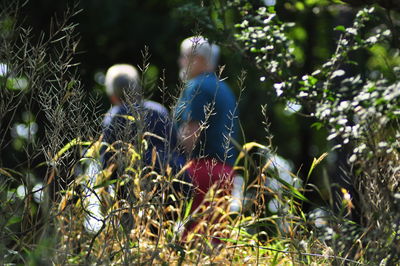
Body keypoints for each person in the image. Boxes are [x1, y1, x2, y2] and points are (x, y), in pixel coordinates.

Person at [174, 36, 239, 239]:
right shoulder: (225, 88)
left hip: (202, 170)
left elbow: (191, 132)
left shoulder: (197, 86)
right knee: (215, 239)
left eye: (185, 57)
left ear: (199, 59)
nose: (181, 62)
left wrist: (171, 158)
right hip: (226, 171)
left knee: (192, 239)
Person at [102, 64, 190, 196]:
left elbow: (107, 167)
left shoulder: (113, 116)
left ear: (112, 95)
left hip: (134, 193)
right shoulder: (160, 110)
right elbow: (177, 148)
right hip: (173, 186)